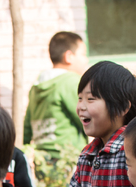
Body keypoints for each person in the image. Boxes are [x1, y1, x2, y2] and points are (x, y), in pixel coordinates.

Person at [23, 31, 88, 161]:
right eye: (83, 54)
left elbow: (27, 128)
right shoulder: (71, 81)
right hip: (68, 159)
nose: (86, 59)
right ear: (69, 56)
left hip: (42, 159)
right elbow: (86, 117)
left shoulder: (37, 86)